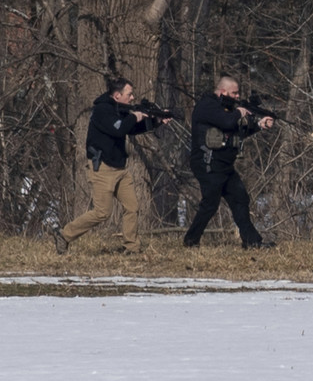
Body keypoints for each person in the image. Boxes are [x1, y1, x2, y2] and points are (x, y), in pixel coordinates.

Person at [54, 77, 169, 255]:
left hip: (120, 168)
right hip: (103, 168)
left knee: (132, 207)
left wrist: (157, 121)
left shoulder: (119, 108)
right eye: (129, 94)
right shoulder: (102, 111)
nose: (132, 97)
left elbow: (131, 129)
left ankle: (131, 247)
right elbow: (119, 129)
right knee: (102, 212)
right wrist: (134, 116)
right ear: (117, 96)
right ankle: (64, 235)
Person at [183, 75, 275, 250]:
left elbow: (235, 132)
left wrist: (259, 125)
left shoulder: (226, 109)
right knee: (210, 204)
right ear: (223, 91)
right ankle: (191, 240)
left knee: (240, 199)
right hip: (207, 163)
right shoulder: (207, 106)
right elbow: (227, 122)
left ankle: (252, 241)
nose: (237, 96)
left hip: (224, 165)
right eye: (234, 93)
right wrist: (240, 111)